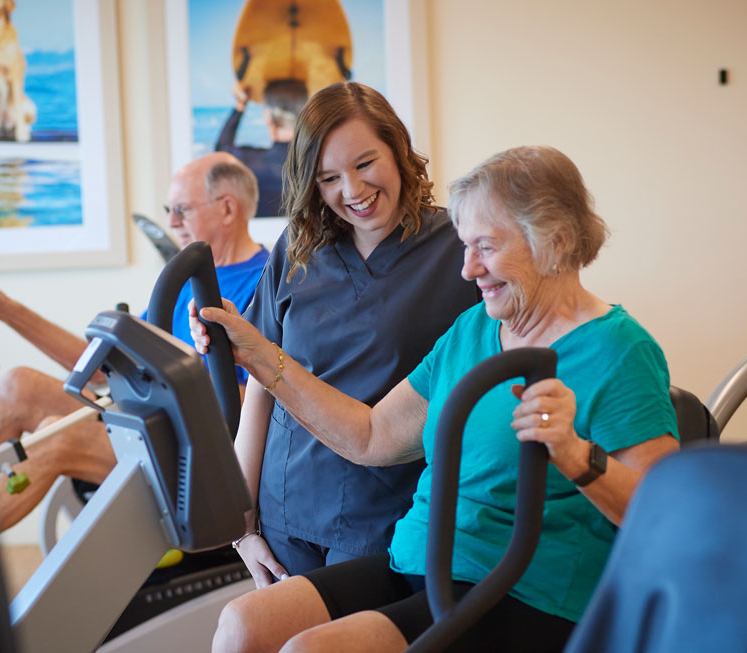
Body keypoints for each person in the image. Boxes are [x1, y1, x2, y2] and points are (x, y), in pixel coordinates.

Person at [192, 145, 680, 651]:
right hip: (418, 560)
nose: (468, 269)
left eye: (486, 248)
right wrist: (260, 357)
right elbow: (372, 436)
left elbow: (667, 517)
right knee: (242, 625)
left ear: (553, 242)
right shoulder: (474, 330)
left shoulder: (618, 350)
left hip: (523, 591)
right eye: (465, 247)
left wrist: (578, 456)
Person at [205, 81, 481, 589]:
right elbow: (263, 381)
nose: (351, 191)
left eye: (365, 164)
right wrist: (242, 522)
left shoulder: (459, 250)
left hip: (387, 514)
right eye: (329, 177)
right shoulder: (299, 248)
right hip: (284, 507)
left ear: (399, 151)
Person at [0, 152, 269, 532]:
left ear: (226, 209)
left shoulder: (262, 286)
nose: (171, 222)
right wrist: (8, 311)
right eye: (169, 209)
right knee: (16, 386)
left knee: (58, 432)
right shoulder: (189, 282)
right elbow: (96, 368)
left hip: (194, 456)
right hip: (144, 426)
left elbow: (256, 402)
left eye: (181, 209)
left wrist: (178, 380)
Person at [216, 79, 308, 217]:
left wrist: (240, 105)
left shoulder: (254, 162)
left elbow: (221, 151)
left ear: (268, 118)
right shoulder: (318, 159)